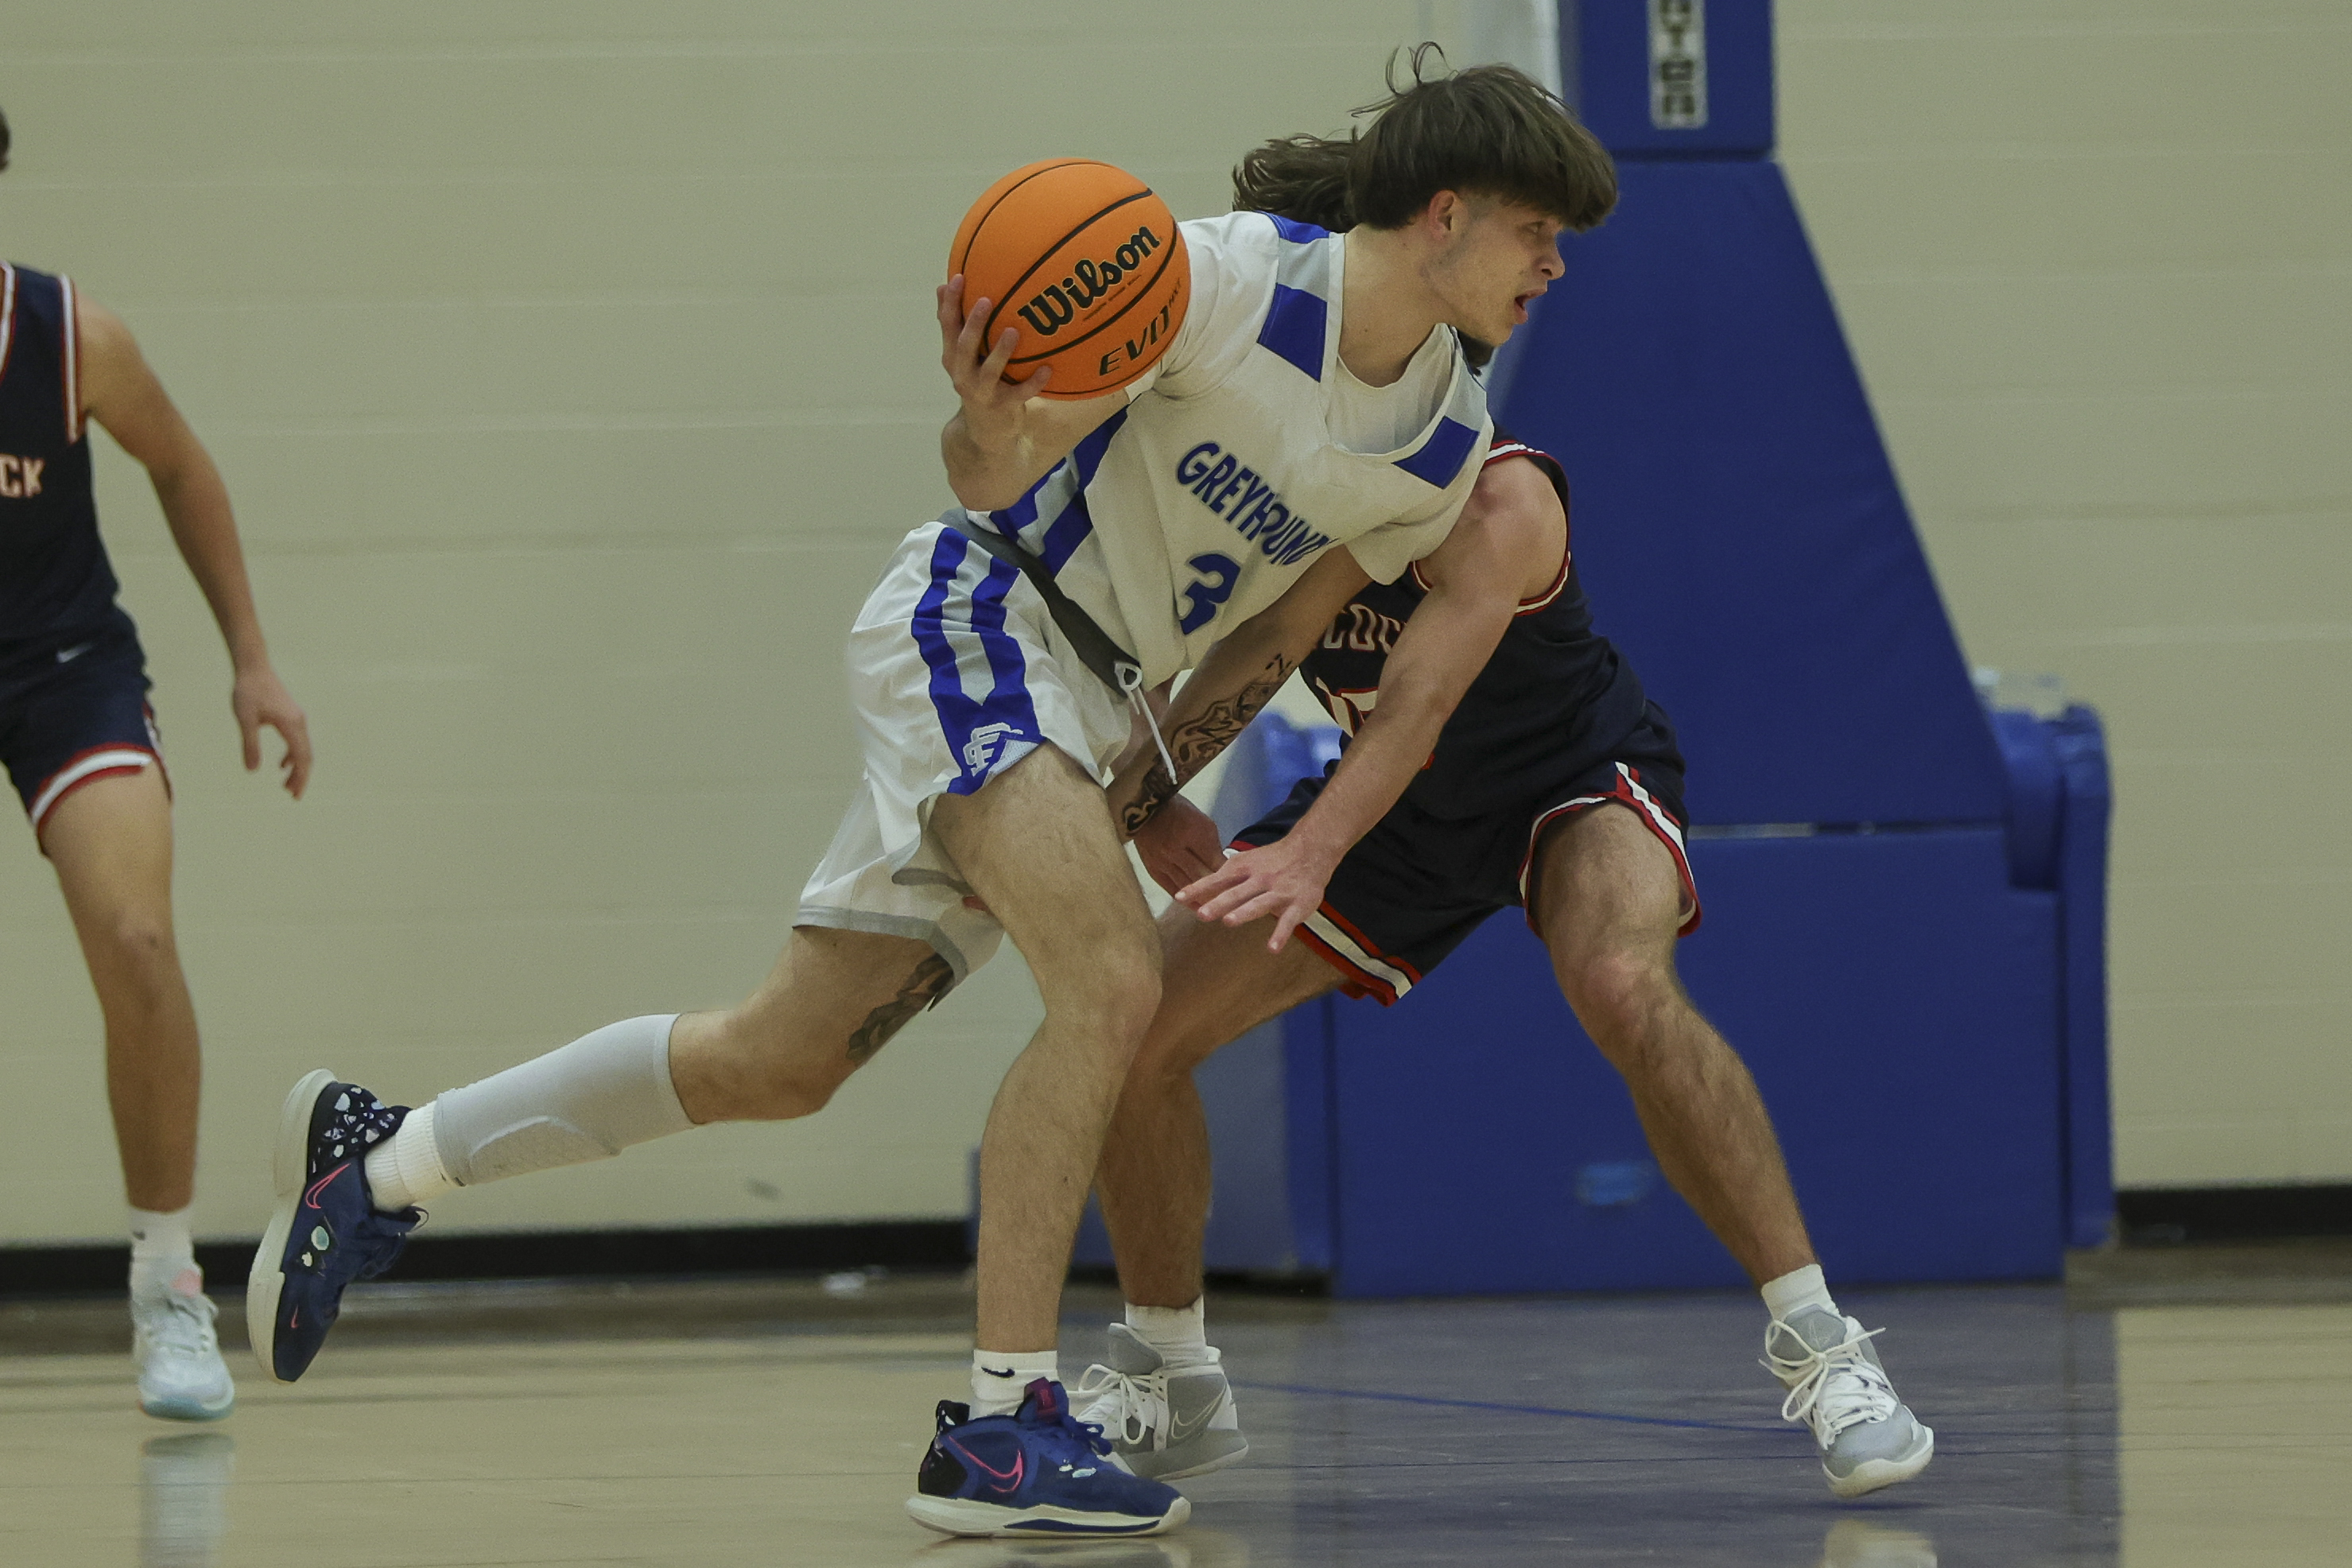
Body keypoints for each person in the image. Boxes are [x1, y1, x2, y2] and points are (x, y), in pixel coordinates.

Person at [245, 58, 1617, 1539]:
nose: (1553, 264)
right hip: (984, 619)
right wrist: (987, 420)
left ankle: (384, 1159)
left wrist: (1152, 778)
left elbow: (1274, 637)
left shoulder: (1442, 442)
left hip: (1095, 704)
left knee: (783, 1059)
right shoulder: (1220, 280)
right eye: (1536, 230)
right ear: (1442, 214)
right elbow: (987, 473)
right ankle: (999, 1426)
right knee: (1112, 983)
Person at [1058, 146, 1934, 1503]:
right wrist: (1141, 795)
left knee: (1620, 984)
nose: (1550, 266)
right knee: (1128, 1031)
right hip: (1393, 806)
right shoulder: (1281, 482)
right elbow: (1241, 651)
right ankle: (1169, 1371)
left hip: (1565, 775)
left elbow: (1414, 705)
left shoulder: (1496, 487)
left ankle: (1824, 1347)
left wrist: (1303, 848)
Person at [0, 108, 315, 1422]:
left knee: (136, 939)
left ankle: (166, 1285)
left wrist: (253, 659)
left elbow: (182, 470)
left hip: (62, 663)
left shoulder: (72, 334)